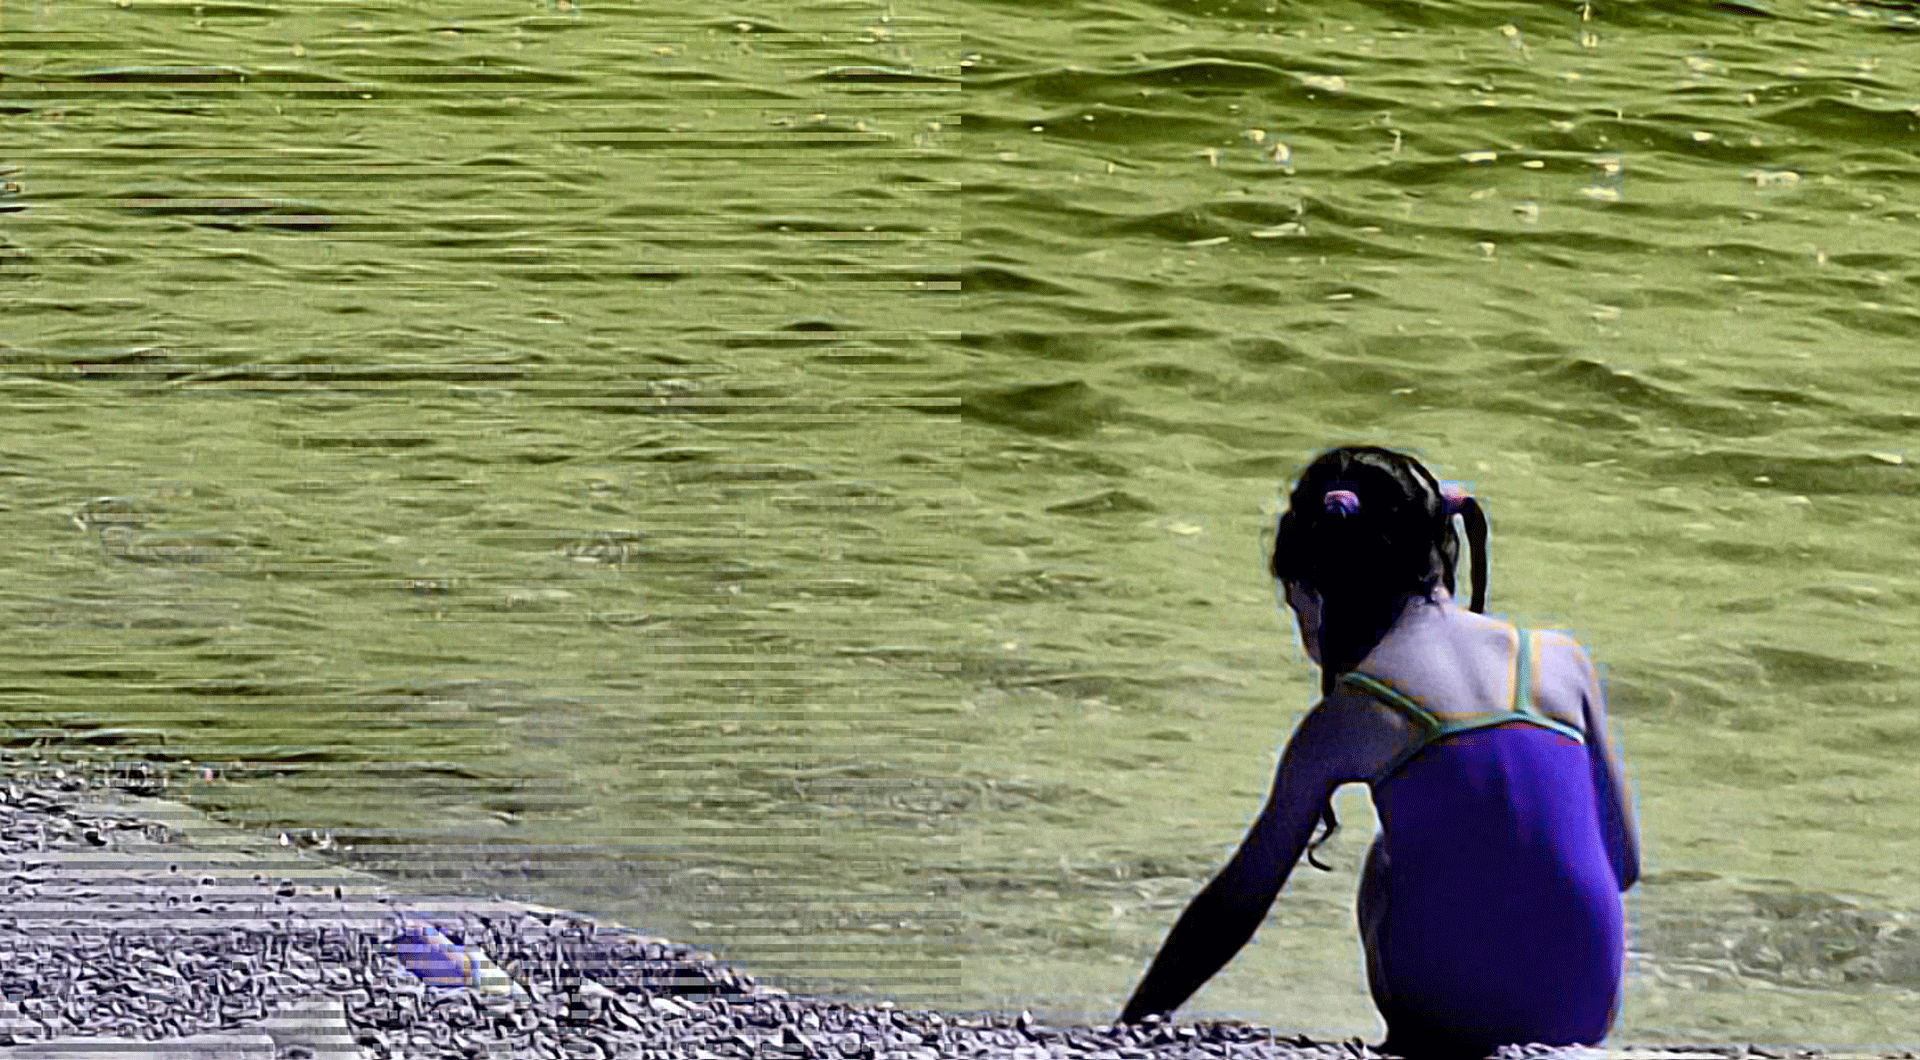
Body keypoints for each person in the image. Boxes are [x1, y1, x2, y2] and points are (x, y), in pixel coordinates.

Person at [1118, 445, 1640, 1059]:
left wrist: (1133, 1022)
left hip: (1445, 1020)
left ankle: (1407, 1039)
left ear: (1315, 592)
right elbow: (1622, 861)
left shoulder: (1354, 713)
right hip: (1584, 1014)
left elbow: (1240, 898)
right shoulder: (1561, 660)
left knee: (1388, 857)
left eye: (1295, 605)